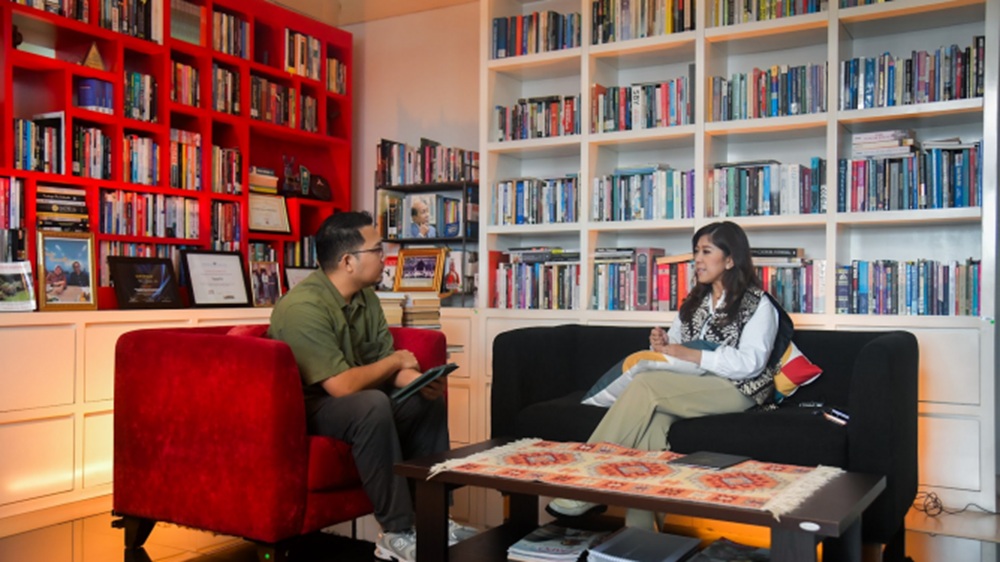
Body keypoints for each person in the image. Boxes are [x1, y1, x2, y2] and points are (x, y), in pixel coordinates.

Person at [547, 221, 790, 529]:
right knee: (652, 426)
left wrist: (693, 354)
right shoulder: (695, 300)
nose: (697, 260)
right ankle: (642, 536)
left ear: (730, 259)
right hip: (690, 383)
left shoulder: (758, 303)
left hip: (737, 388)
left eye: (706, 252)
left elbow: (751, 363)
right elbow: (677, 345)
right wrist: (663, 344)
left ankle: (582, 484)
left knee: (646, 385)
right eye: (696, 252)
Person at [268, 211, 475, 562]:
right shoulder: (302, 308)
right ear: (348, 262)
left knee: (423, 401)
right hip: (309, 408)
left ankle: (433, 519)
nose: (385, 258)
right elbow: (342, 387)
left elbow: (384, 362)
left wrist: (420, 383)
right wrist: (396, 362)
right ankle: (396, 532)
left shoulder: (367, 299)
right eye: (377, 250)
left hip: (352, 398)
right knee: (371, 405)